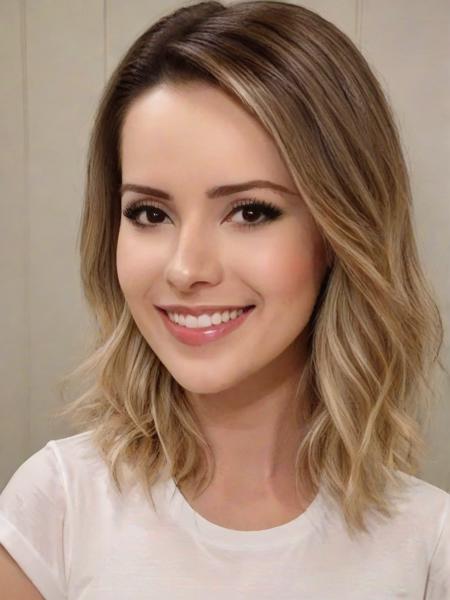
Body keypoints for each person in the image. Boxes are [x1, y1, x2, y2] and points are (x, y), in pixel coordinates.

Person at [0, 1, 448, 598]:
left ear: (341, 231)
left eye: (250, 211)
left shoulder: (427, 547)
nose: (186, 268)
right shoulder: (53, 509)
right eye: (149, 212)